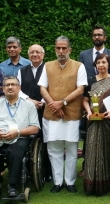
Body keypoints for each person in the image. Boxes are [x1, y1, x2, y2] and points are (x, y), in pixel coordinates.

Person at [38, 36, 87, 193]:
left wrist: (62, 102)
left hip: (71, 114)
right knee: (54, 149)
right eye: (58, 48)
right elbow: (42, 88)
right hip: (51, 114)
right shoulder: (47, 65)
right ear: (55, 49)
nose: (61, 51)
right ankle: (58, 181)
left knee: (72, 148)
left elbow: (80, 89)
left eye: (64, 48)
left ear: (69, 50)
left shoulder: (79, 66)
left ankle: (70, 181)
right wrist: (54, 104)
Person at [82, 53, 110, 195]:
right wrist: (88, 112)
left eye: (104, 62)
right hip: (93, 122)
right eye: (98, 62)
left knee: (107, 152)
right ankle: (91, 185)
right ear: (95, 65)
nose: (101, 65)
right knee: (92, 151)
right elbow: (84, 100)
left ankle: (108, 185)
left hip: (108, 122)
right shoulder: (90, 81)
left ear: (109, 64)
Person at [17, 44, 52, 182]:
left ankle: (47, 172)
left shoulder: (49, 69)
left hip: (46, 109)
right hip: (27, 109)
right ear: (28, 55)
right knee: (28, 140)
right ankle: (27, 172)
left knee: (46, 140)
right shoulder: (22, 70)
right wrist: (31, 101)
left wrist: (43, 101)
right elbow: (18, 89)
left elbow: (52, 87)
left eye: (38, 52)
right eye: (32, 52)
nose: (35, 54)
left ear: (43, 55)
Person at [0, 76, 40, 197]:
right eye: (7, 85)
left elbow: (35, 128)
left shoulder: (29, 105)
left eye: (13, 84)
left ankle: (12, 186)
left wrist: (17, 132)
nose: (10, 87)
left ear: (19, 88)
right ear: (3, 88)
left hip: (20, 137)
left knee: (15, 151)